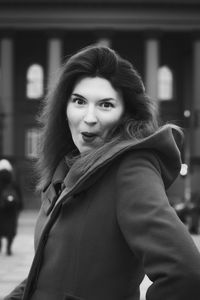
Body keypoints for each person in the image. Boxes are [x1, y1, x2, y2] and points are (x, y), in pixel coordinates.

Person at [4, 45, 200, 300]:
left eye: (106, 105)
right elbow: (49, 275)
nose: (89, 117)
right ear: (64, 107)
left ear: (125, 114)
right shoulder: (65, 169)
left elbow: (186, 274)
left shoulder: (130, 170)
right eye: (79, 101)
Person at [0, 159, 23, 255]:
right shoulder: (13, 182)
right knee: (11, 229)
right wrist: (20, 207)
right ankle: (9, 247)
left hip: (1, 209)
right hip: (12, 210)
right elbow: (19, 196)